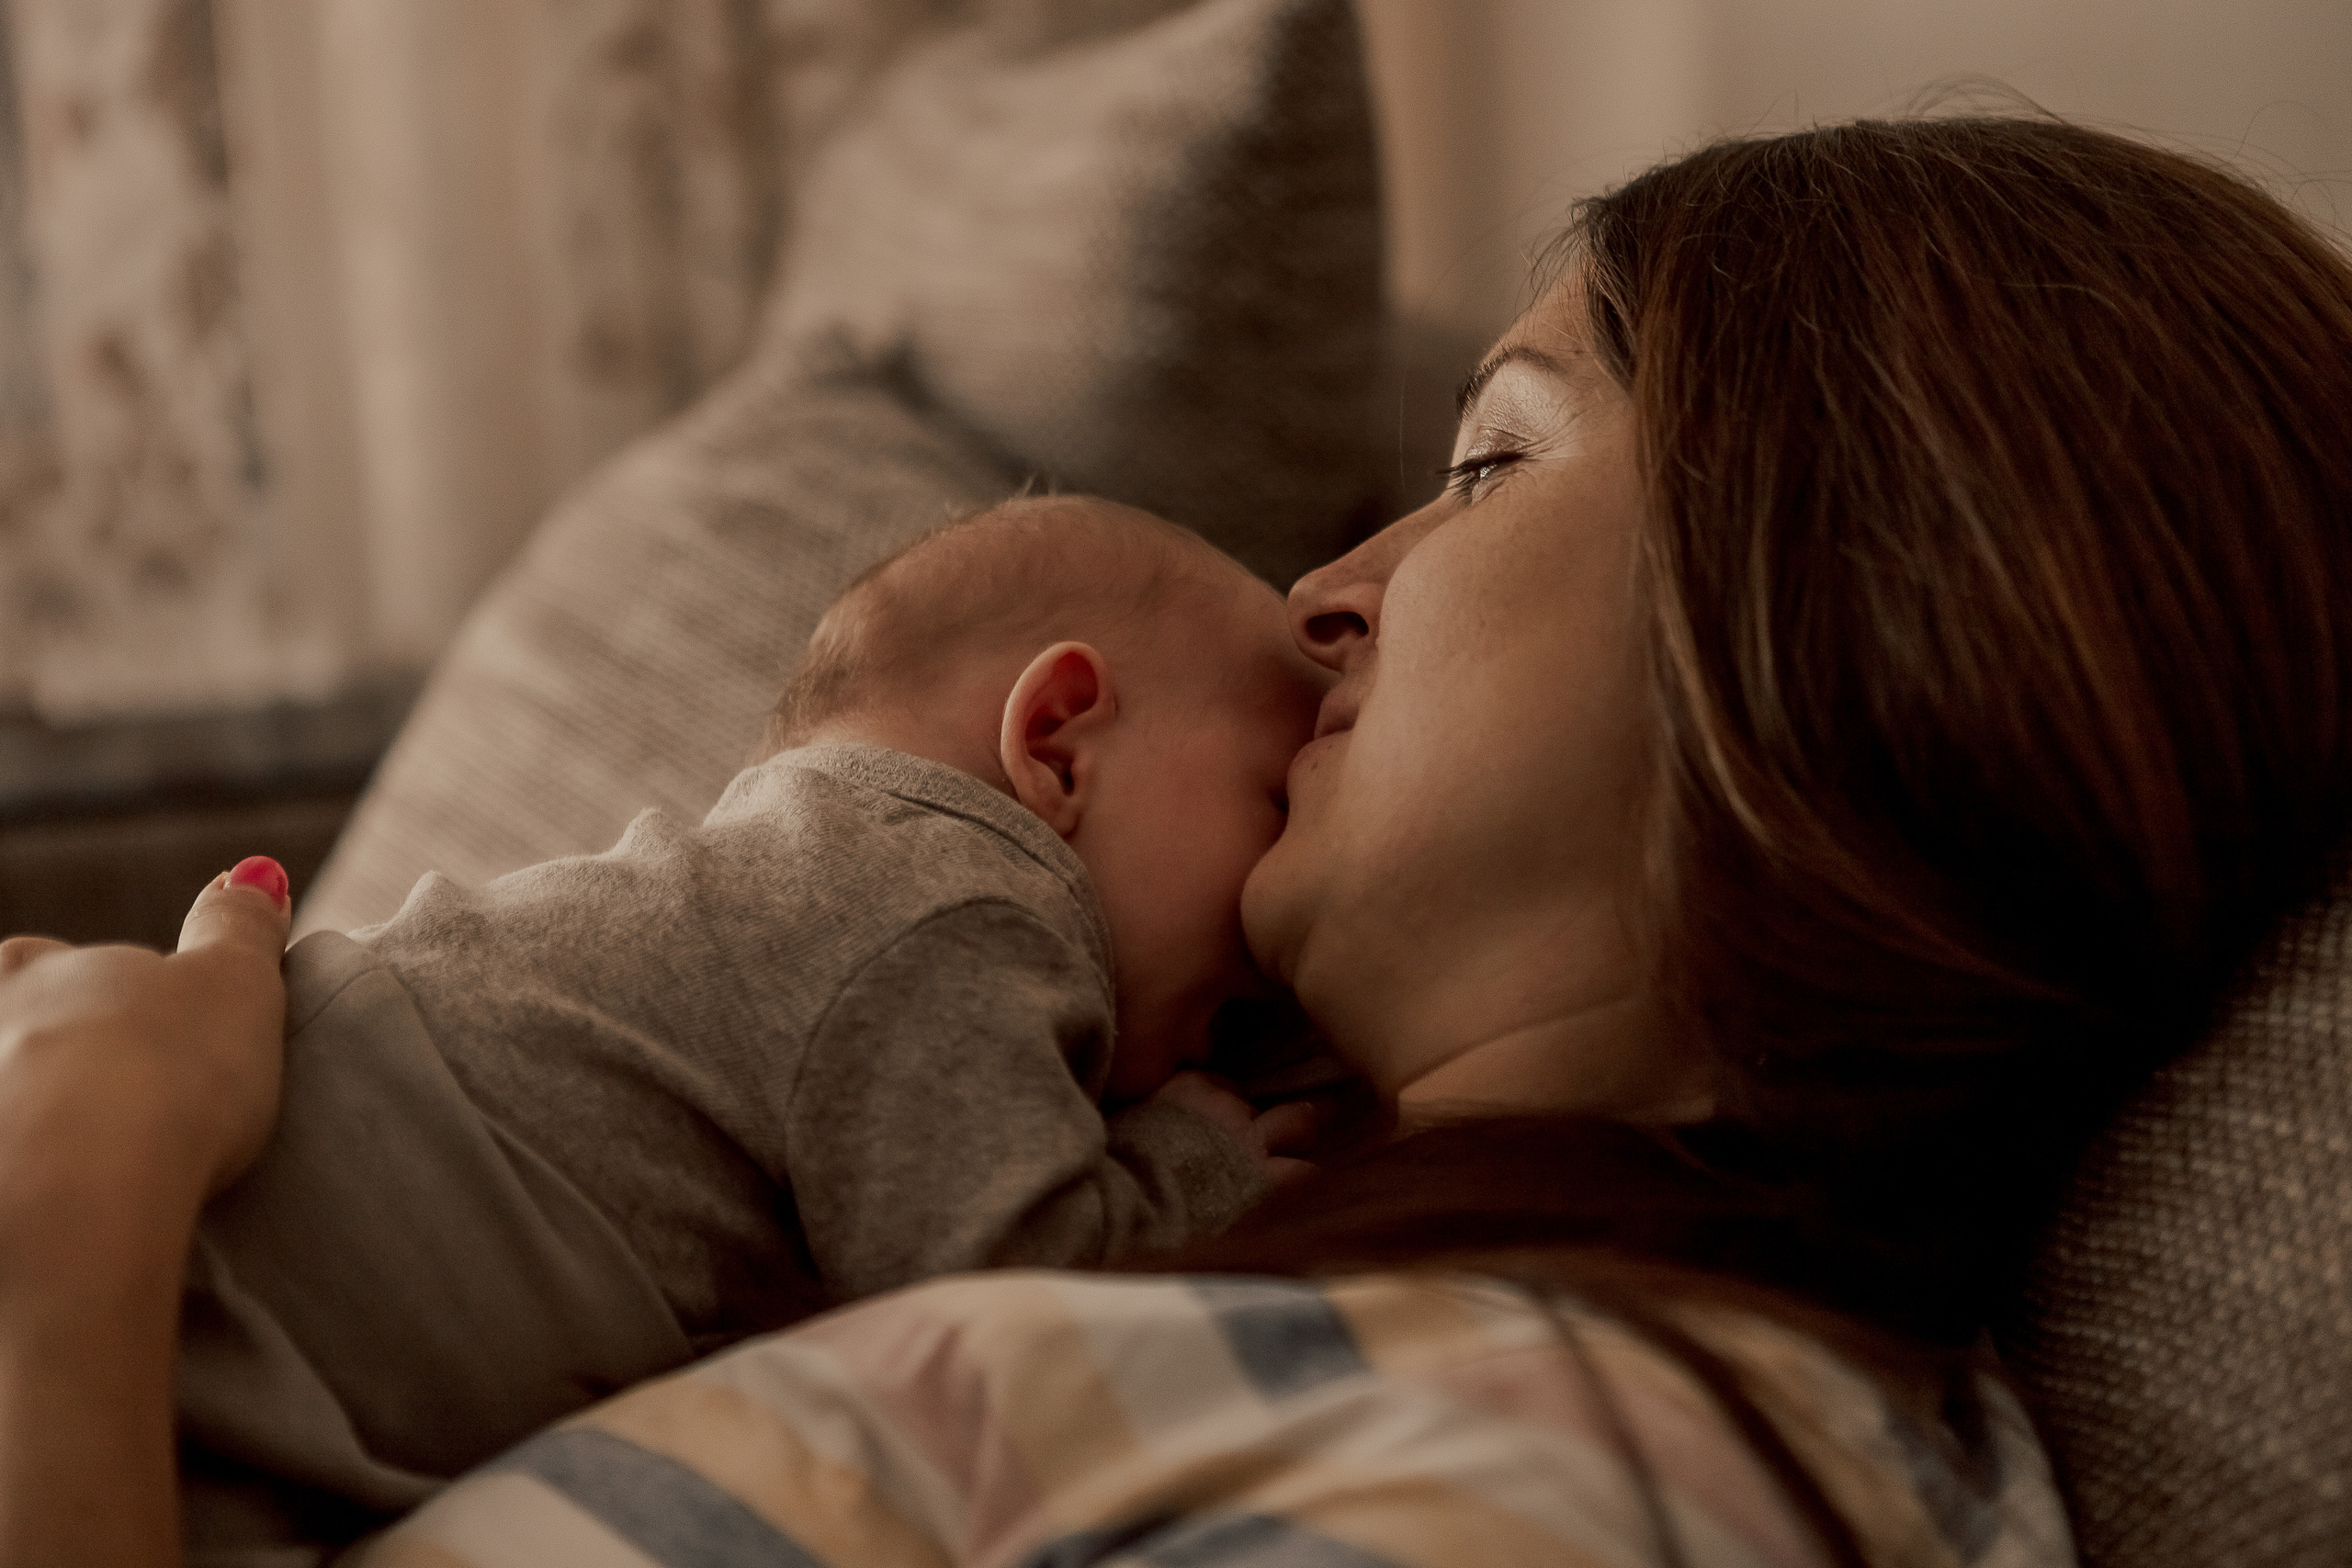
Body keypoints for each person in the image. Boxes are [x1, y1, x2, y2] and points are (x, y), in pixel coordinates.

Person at [6, 115, 2351, 1568]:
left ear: (1868, 620)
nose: (1328, 589)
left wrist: (75, 1230)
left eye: (1492, 467)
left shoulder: (1587, 1478)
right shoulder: (1250, 1244)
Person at [164, 494, 1336, 1551]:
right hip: (254, 1264)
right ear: (1056, 739)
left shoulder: (800, 892)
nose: (1279, 890)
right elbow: (998, 1302)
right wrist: (1190, 1171)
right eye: (1273, 801)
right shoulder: (941, 895)